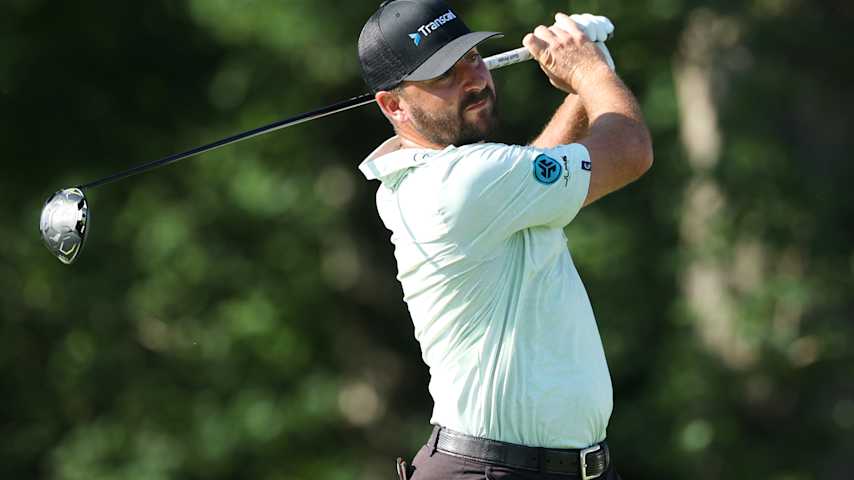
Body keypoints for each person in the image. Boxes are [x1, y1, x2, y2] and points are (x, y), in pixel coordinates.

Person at [356, 1, 653, 478]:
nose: (472, 79)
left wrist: (584, 85)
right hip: (494, 471)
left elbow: (531, 173)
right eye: (442, 76)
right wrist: (590, 72)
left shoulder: (455, 181)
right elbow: (629, 151)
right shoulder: (459, 182)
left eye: (471, 57)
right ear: (393, 105)